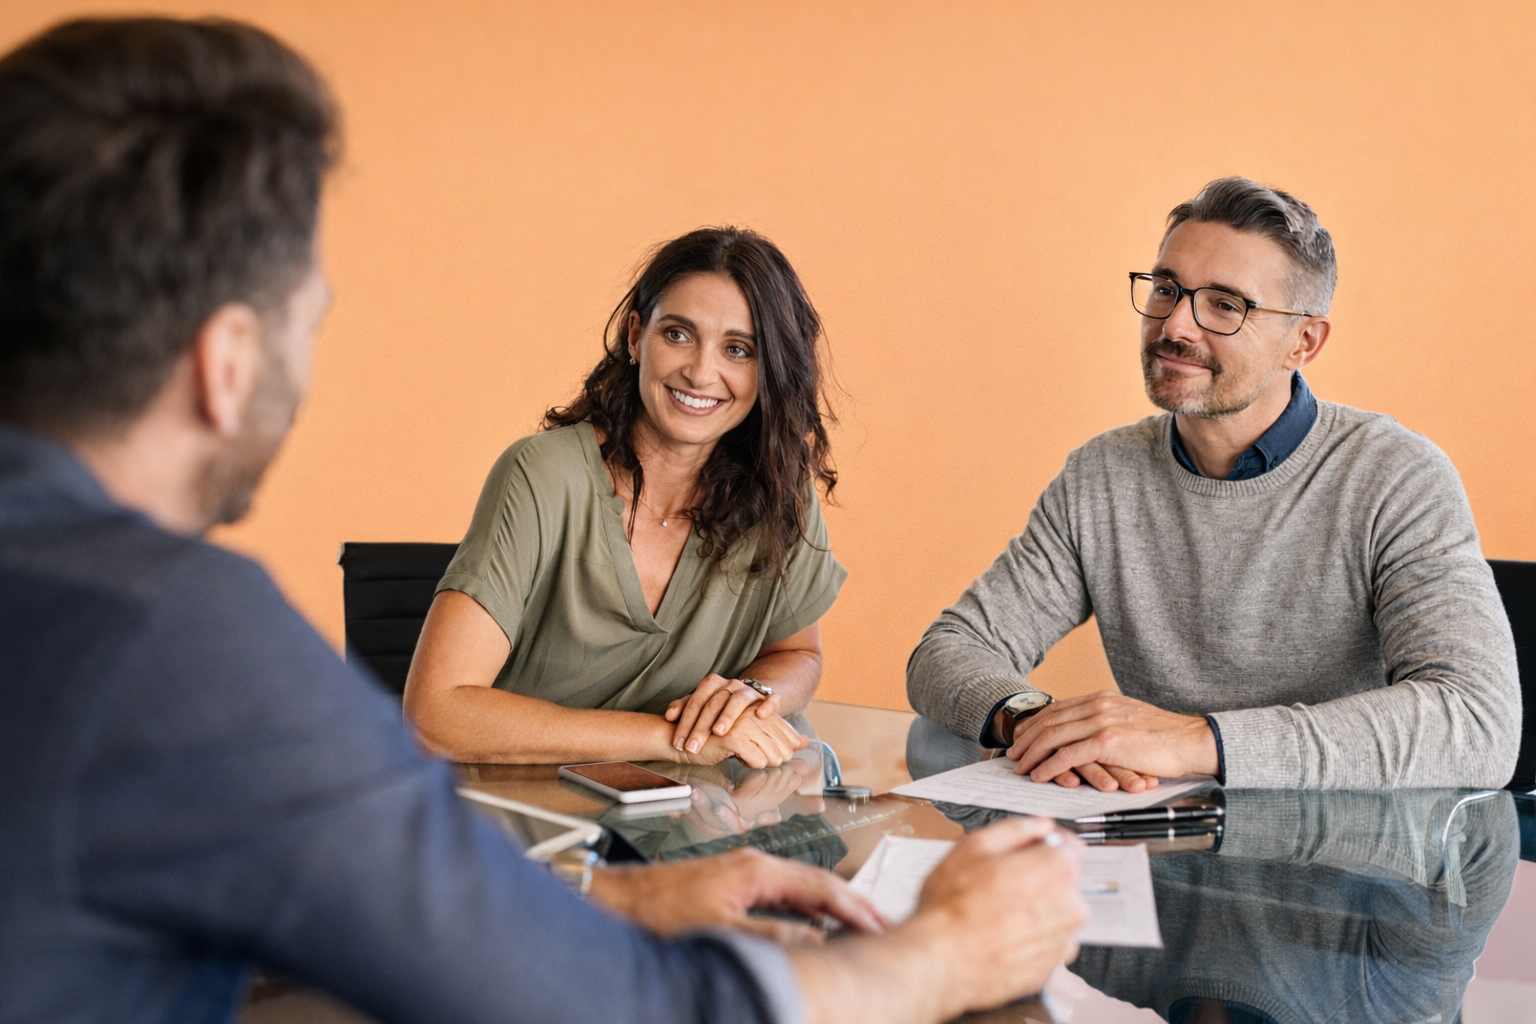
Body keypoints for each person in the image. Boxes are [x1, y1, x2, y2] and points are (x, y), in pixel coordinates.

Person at [0, 16, 1087, 1024]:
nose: (704, 369)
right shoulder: (176, 641)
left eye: (741, 348)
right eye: (310, 315)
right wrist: (937, 954)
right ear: (227, 363)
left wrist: (610, 903)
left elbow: (287, 911)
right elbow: (616, 1002)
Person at [907, 177, 1520, 792]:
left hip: (1351, 867)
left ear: (1302, 342)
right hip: (1162, 851)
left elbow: (1477, 722)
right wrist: (1036, 721)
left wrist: (1197, 739)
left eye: (1226, 305)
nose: (1175, 325)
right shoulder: (1101, 476)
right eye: (1167, 289)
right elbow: (949, 649)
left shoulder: (1395, 477)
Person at [404, 227, 844, 769]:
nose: (702, 372)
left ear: (769, 369)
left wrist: (751, 695)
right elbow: (435, 715)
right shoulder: (542, 475)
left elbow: (795, 653)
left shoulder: (782, 489)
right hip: (510, 822)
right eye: (679, 334)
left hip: (676, 828)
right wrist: (674, 741)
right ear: (636, 337)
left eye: (738, 349)